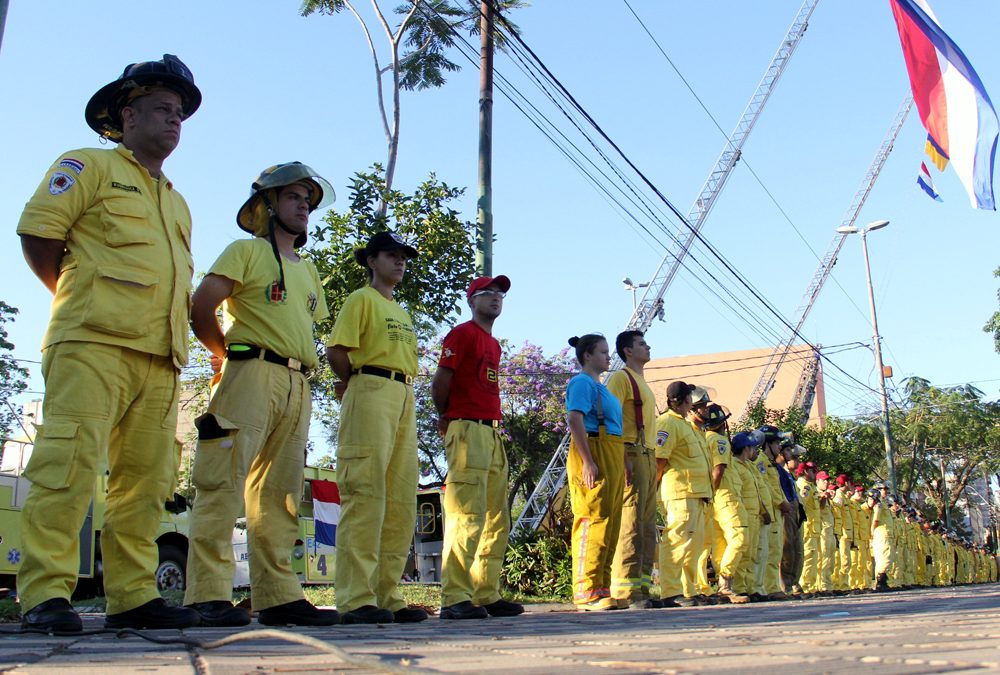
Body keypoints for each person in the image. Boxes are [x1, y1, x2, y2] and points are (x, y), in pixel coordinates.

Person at [16, 55, 202, 632]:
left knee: (145, 483)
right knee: (67, 467)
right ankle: (45, 595)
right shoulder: (87, 165)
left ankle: (131, 596)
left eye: (180, 114)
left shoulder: (177, 200)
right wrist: (81, 296)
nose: (174, 121)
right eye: (162, 110)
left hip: (159, 356)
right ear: (127, 114)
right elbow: (38, 236)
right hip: (91, 344)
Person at [182, 163, 338, 627]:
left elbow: (304, 325)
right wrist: (221, 354)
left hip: (298, 382)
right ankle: (206, 594)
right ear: (267, 205)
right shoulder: (245, 250)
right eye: (293, 197)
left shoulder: (308, 272)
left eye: (307, 201)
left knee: (280, 494)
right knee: (221, 481)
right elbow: (202, 305)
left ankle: (276, 594)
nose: (303, 207)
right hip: (249, 373)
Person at [326, 231, 427, 624]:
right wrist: (356, 385)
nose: (399, 262)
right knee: (365, 492)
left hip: (404, 394)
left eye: (403, 256)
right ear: (371, 261)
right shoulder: (360, 299)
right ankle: (355, 597)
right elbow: (337, 351)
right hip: (368, 387)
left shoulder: (400, 311)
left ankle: (387, 593)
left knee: (400, 498)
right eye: (390, 255)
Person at [432, 275, 524, 620]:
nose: (496, 298)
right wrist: (447, 417)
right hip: (467, 428)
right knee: (467, 515)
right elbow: (441, 381)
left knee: (497, 517)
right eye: (487, 293)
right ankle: (455, 595)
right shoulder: (462, 334)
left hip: (492, 433)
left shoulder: (494, 344)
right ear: (471, 301)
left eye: (500, 294)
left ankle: (485, 591)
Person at [565, 334, 625, 611]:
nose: (608, 357)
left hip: (611, 450)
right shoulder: (582, 382)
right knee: (593, 518)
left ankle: (602, 587)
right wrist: (588, 460)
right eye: (602, 352)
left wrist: (623, 460)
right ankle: (585, 590)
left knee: (610, 522)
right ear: (587, 355)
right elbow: (575, 418)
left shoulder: (602, 387)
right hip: (593, 448)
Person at [607, 331, 659, 610]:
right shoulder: (621, 378)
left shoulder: (643, 382)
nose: (647, 346)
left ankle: (642, 588)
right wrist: (621, 454)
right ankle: (625, 589)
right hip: (632, 451)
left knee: (647, 525)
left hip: (649, 454)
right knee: (631, 521)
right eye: (641, 344)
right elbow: (609, 415)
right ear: (627, 351)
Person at [655, 381, 712, 607]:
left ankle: (688, 590)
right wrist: (653, 487)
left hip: (696, 494)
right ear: (687, 400)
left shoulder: (686, 425)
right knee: (677, 541)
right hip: (680, 493)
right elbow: (659, 459)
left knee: (693, 545)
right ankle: (670, 591)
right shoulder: (668, 422)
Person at [702, 404, 749, 604]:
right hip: (726, 497)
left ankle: (723, 586)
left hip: (714, 499)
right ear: (723, 423)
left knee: (720, 544)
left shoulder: (704, 439)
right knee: (739, 537)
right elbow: (719, 469)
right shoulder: (720, 441)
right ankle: (726, 582)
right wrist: (714, 492)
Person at [755, 425, 791, 600]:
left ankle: (772, 586)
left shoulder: (772, 465)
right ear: (767, 444)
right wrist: (780, 502)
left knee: (775, 551)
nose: (779, 447)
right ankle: (768, 587)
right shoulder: (760, 461)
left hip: (777, 513)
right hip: (770, 511)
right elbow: (765, 486)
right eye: (776, 443)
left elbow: (775, 486)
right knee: (768, 552)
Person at [731, 431, 768, 600]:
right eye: (751, 448)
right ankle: (740, 587)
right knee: (744, 553)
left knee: (753, 554)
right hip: (744, 514)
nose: (754, 451)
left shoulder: (749, 466)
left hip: (755, 515)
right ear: (745, 448)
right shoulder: (734, 465)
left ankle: (751, 587)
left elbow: (758, 493)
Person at [796, 462, 820, 595]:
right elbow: (802, 504)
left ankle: (810, 586)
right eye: (812, 470)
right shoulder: (804, 486)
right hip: (808, 527)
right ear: (805, 471)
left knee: (813, 558)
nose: (815, 473)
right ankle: (805, 586)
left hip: (815, 529)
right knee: (808, 557)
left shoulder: (812, 487)